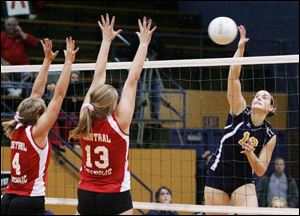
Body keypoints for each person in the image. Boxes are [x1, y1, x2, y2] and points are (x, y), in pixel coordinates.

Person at [69, 14, 156, 215]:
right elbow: (133, 79)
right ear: (113, 104)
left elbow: (98, 75)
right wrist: (143, 44)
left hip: (86, 192)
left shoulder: (85, 115)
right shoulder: (120, 121)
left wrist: (106, 40)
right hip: (115, 194)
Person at [1, 37, 79, 215]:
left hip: (8, 198)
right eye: (43, 111)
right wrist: (68, 63)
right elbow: (58, 96)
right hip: (28, 201)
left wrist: (47, 60)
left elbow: (35, 93)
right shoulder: (37, 132)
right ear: (37, 115)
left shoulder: (18, 125)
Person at [204, 25, 277, 212]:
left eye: (265, 97)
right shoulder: (239, 109)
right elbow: (234, 78)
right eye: (257, 95)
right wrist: (240, 50)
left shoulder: (270, 135)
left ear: (271, 108)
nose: (259, 97)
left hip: (243, 180)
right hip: (218, 174)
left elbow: (260, 171)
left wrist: (251, 153)